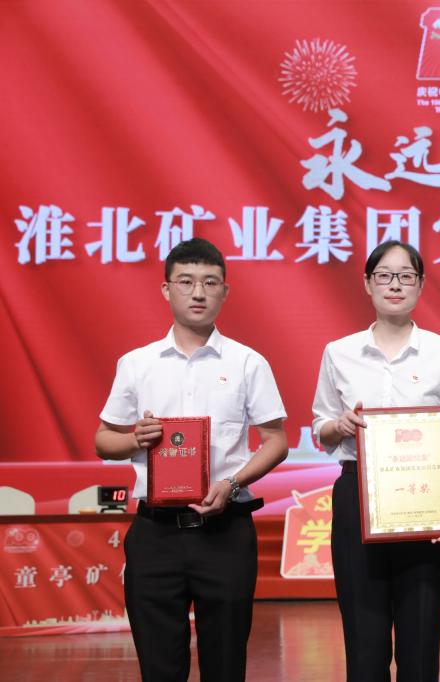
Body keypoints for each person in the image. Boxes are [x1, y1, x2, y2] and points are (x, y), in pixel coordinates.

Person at [95, 238, 288, 682]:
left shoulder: (247, 363)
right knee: (159, 668)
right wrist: (135, 439)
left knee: (225, 666)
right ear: (166, 289)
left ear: (225, 291)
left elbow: (275, 440)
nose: (198, 292)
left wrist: (233, 484)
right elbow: (103, 440)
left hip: (225, 531)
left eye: (210, 283)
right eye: (186, 282)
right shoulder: (137, 363)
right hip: (155, 534)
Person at [311, 240, 440, 682]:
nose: (395, 285)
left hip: (425, 503)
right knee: (364, 640)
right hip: (357, 496)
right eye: (384, 275)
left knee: (421, 640)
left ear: (420, 285)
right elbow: (320, 427)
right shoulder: (339, 352)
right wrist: (339, 426)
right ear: (368, 284)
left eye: (406, 276)